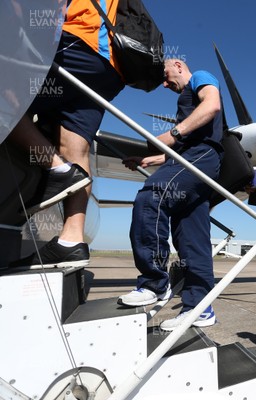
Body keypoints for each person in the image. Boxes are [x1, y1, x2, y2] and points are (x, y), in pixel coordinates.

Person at [9, 0, 125, 268]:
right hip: (110, 69)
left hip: (79, 43)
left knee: (6, 95)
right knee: (77, 147)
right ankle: (71, 241)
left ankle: (58, 170)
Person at [118, 58, 223, 332]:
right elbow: (180, 147)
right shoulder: (186, 99)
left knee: (150, 198)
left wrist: (173, 133)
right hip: (193, 159)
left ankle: (154, 283)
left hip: (199, 156)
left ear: (178, 65)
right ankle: (200, 308)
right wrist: (148, 159)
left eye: (165, 76)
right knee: (192, 238)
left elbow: (212, 105)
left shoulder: (200, 74)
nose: (165, 84)